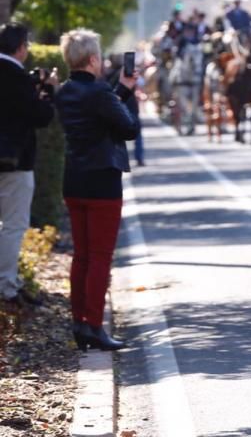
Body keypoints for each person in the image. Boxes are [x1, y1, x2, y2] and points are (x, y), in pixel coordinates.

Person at [55, 29, 140, 351]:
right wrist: (126, 95)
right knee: (101, 257)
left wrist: (121, 92)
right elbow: (127, 127)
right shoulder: (101, 93)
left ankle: (80, 322)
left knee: (82, 256)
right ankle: (93, 325)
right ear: (92, 59)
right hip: (103, 181)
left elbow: (100, 114)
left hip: (74, 178)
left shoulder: (64, 92)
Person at [0, 22, 57, 310]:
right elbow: (41, 116)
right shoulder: (16, 77)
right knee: (13, 225)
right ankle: (7, 286)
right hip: (14, 163)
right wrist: (48, 93)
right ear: (21, 48)